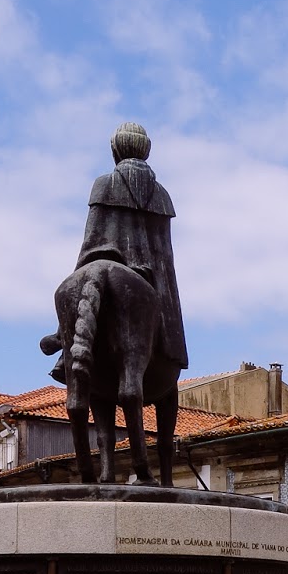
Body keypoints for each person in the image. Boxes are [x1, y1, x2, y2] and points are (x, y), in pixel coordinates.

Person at [43, 122, 187, 383]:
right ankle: (169, 344)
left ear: (115, 151)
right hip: (152, 279)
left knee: (82, 279)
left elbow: (91, 242)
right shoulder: (163, 196)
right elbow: (165, 261)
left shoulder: (104, 184)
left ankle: (64, 344)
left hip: (108, 259)